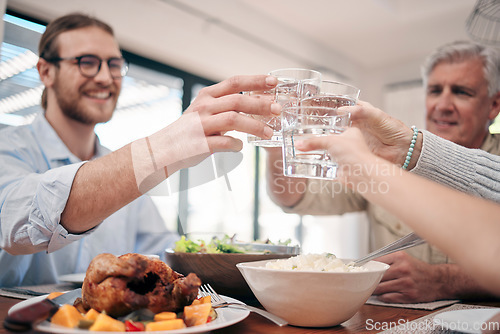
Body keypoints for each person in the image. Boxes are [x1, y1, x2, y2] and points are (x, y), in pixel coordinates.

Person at [0, 13, 281, 287]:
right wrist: (167, 146)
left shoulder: (119, 167)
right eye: (87, 62)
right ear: (46, 71)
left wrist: (243, 258)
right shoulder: (8, 147)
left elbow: (162, 252)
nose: (104, 77)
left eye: (113, 64)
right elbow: (15, 224)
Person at [266, 40, 500, 303]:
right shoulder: (381, 152)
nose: (443, 105)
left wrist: (446, 280)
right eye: (435, 90)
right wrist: (277, 145)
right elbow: (297, 197)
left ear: (493, 105)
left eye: (461, 92)